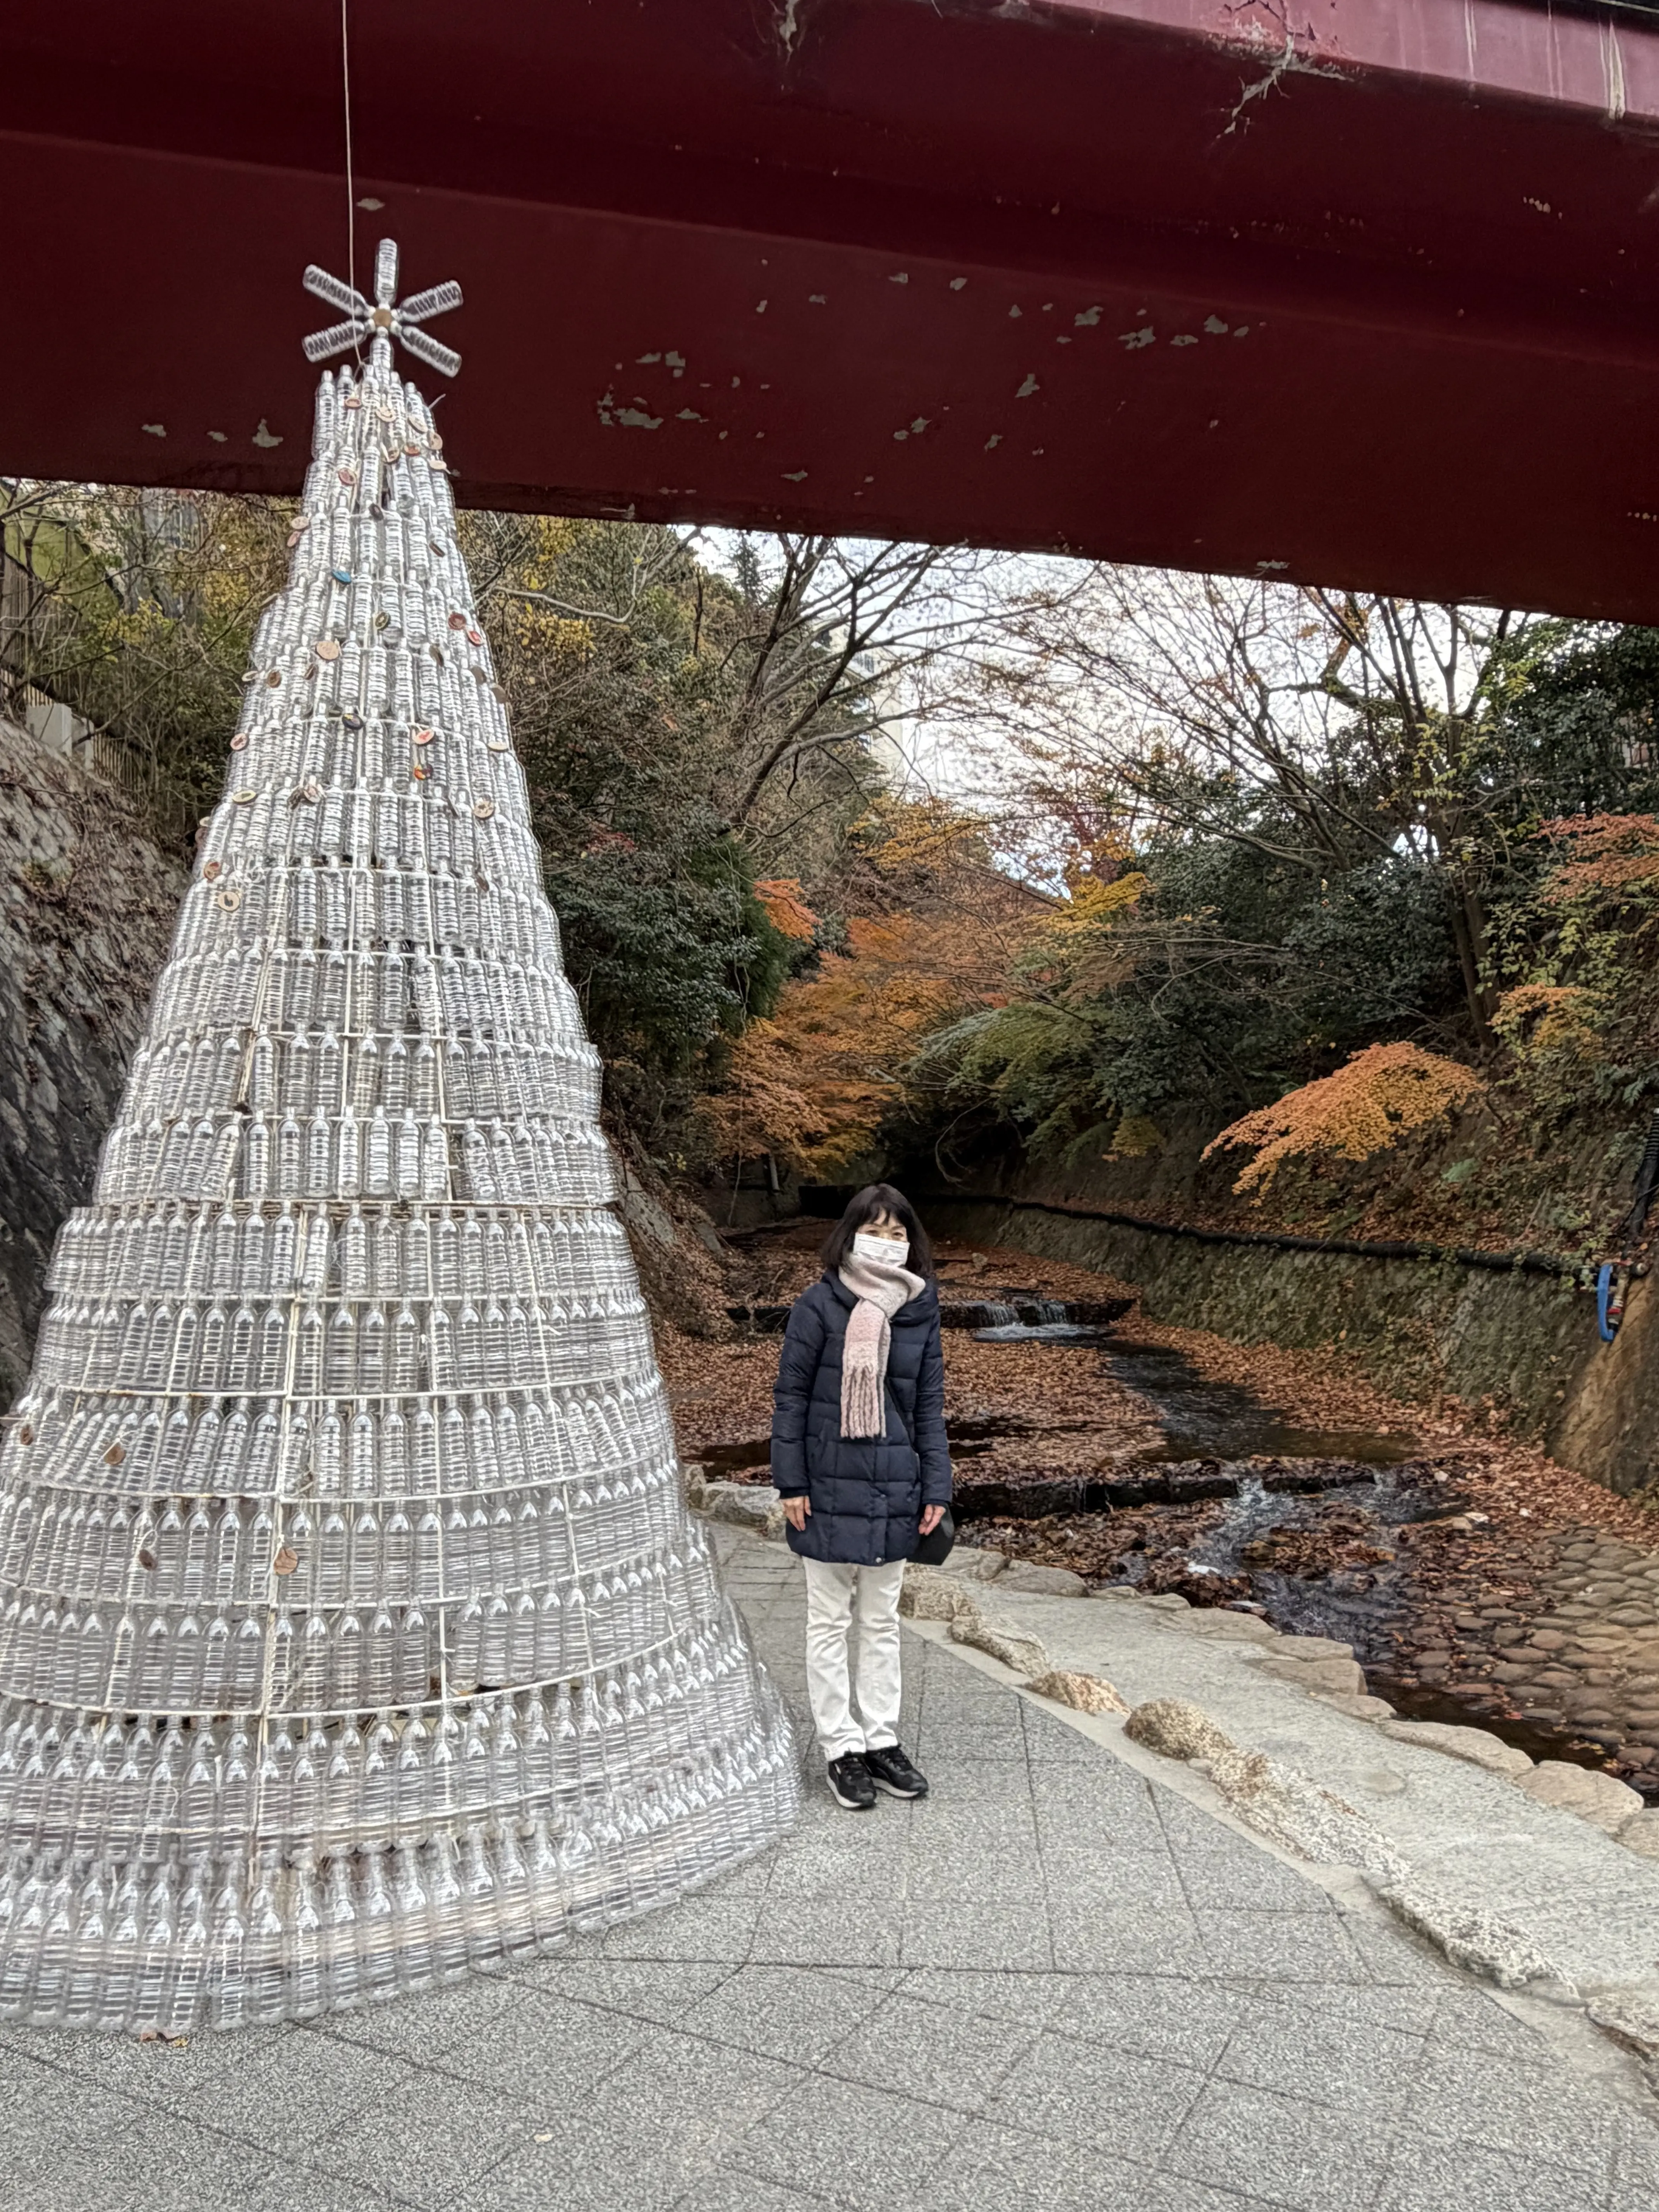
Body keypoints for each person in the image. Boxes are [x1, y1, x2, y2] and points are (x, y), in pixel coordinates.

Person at [770, 1183, 951, 1810]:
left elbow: (928, 1407)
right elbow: (790, 1399)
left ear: (912, 1243)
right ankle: (840, 1749)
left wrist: (938, 1487)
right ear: (850, 1236)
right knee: (829, 1622)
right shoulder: (818, 1306)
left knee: (880, 1622)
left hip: (898, 1483)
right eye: (875, 1230)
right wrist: (789, 1480)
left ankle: (881, 1740)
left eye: (898, 1233)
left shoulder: (920, 1310)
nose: (887, 1242)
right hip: (825, 1482)